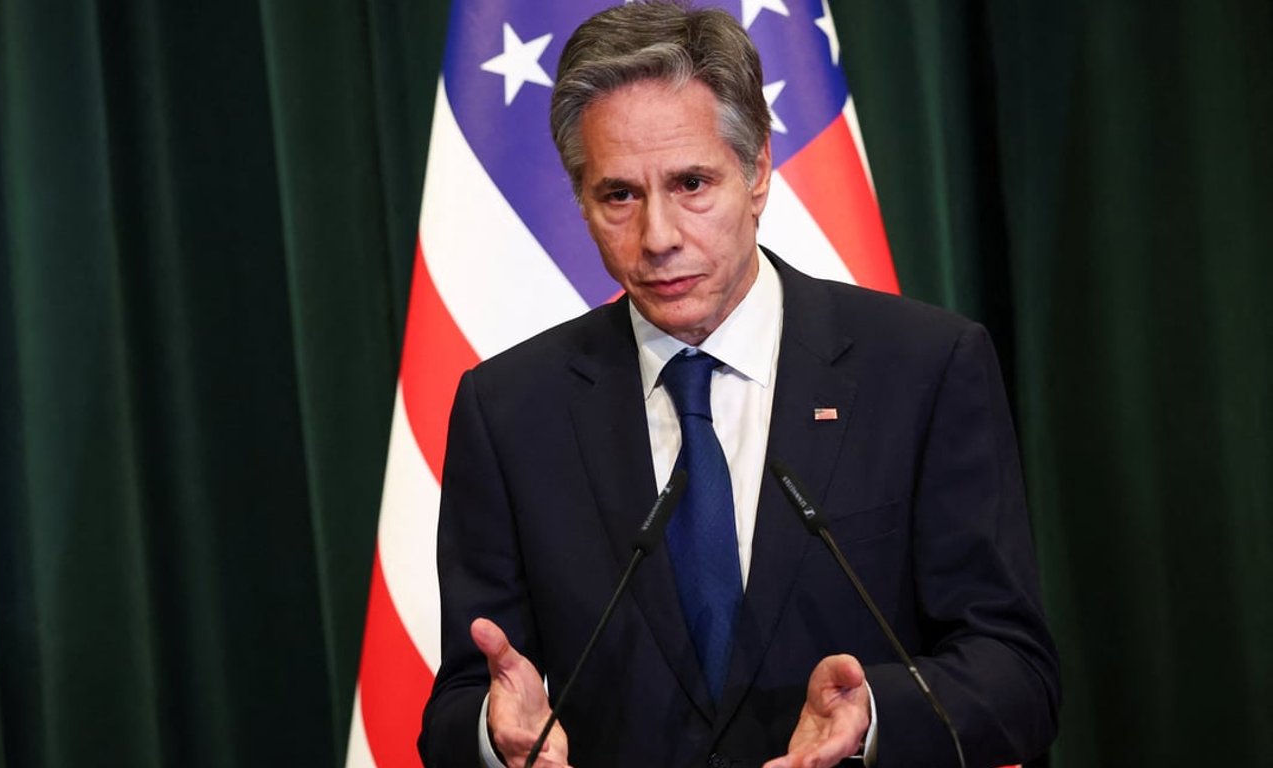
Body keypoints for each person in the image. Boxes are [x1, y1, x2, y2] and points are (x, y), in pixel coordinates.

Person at [418, 3, 1060, 767]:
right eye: (619, 195)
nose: (658, 237)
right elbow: (463, 701)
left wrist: (877, 716)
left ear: (757, 174)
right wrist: (494, 736)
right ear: (581, 200)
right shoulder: (510, 411)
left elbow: (1017, 672)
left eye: (691, 183)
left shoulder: (923, 369)